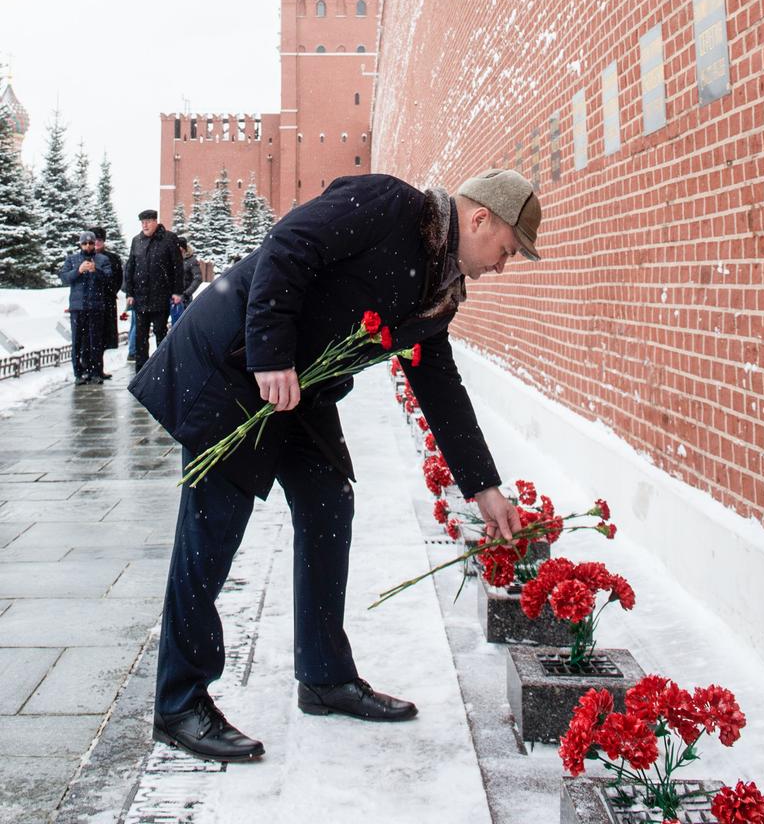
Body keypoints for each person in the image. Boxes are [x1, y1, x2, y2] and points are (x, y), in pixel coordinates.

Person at [130, 168, 542, 763]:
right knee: (212, 528)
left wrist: (483, 487)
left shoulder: (438, 289)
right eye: (507, 250)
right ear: (481, 219)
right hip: (241, 364)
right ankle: (178, 702)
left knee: (328, 502)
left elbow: (438, 382)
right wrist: (271, 352)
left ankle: (324, 676)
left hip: (301, 388)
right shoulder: (390, 205)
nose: (503, 266)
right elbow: (287, 244)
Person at [124, 209, 184, 373]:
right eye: (142, 222)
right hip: (141, 298)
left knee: (160, 333)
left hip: (161, 296)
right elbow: (130, 268)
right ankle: (141, 372)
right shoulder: (137, 241)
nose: (145, 225)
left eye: (148, 221)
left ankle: (163, 369)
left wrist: (177, 292)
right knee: (140, 337)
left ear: (155, 221)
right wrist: (129, 293)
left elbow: (177, 267)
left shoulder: (169, 239)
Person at [59, 231, 113, 385]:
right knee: (77, 341)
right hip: (78, 307)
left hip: (96, 306)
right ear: (80, 244)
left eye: (90, 243)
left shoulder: (103, 260)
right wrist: (79, 270)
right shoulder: (72, 259)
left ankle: (95, 372)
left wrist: (96, 271)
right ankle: (78, 373)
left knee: (95, 340)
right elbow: (64, 278)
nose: (88, 246)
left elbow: (109, 279)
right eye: (85, 243)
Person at [92, 226, 123, 380]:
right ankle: (89, 368)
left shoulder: (112, 258)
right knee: (89, 337)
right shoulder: (84, 257)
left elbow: (117, 279)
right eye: (94, 240)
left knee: (103, 336)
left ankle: (98, 368)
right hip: (89, 303)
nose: (96, 243)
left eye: (99, 240)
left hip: (106, 300)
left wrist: (109, 292)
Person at [176, 236, 202, 307]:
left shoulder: (191, 260)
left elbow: (198, 278)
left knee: (184, 317)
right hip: (173, 297)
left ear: (184, 248)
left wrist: (186, 293)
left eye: (180, 248)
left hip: (185, 299)